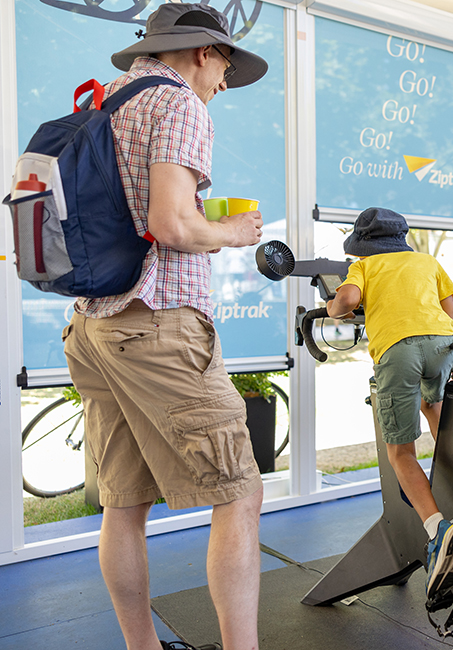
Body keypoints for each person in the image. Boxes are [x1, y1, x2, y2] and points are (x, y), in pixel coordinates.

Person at [60, 5, 268, 649]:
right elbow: (174, 225)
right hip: (155, 325)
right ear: (204, 51)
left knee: (123, 505)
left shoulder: (108, 99)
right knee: (239, 492)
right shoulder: (179, 104)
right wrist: (231, 233)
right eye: (226, 64)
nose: (225, 82)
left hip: (95, 328)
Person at [326, 207, 453, 598]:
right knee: (434, 409)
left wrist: (333, 305)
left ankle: (438, 530)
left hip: (397, 350)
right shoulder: (427, 261)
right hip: (443, 345)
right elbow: (452, 313)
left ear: (364, 245)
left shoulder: (364, 267)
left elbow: (346, 301)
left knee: (401, 453)